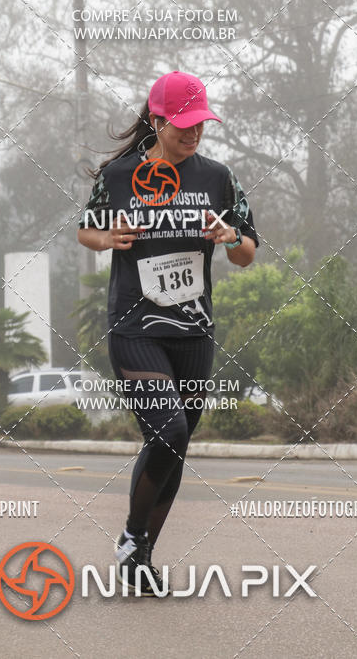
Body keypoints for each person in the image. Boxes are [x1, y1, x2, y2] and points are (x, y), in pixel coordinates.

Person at [77, 70, 258, 596]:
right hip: (135, 326)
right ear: (157, 121)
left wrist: (229, 237)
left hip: (194, 330)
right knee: (169, 431)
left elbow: (247, 252)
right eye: (183, 126)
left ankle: (140, 556)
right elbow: (86, 229)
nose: (193, 135)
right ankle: (133, 537)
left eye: (200, 125)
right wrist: (107, 238)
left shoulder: (218, 176)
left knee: (175, 446)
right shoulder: (119, 176)